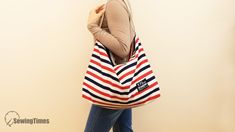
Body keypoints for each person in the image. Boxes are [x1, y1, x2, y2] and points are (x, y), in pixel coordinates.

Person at [85, 0, 136, 131]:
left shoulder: (114, 3)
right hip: (122, 82)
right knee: (124, 129)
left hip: (112, 84)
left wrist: (93, 27)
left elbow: (123, 48)